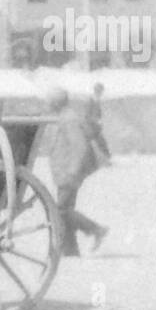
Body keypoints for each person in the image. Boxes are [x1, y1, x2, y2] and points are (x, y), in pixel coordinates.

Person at [45, 87, 108, 256]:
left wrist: (72, 171)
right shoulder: (65, 117)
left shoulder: (68, 119)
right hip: (64, 173)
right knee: (65, 210)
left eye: (49, 101)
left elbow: (79, 146)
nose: (47, 104)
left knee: (61, 211)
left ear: (55, 103)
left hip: (68, 173)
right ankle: (70, 251)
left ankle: (95, 229)